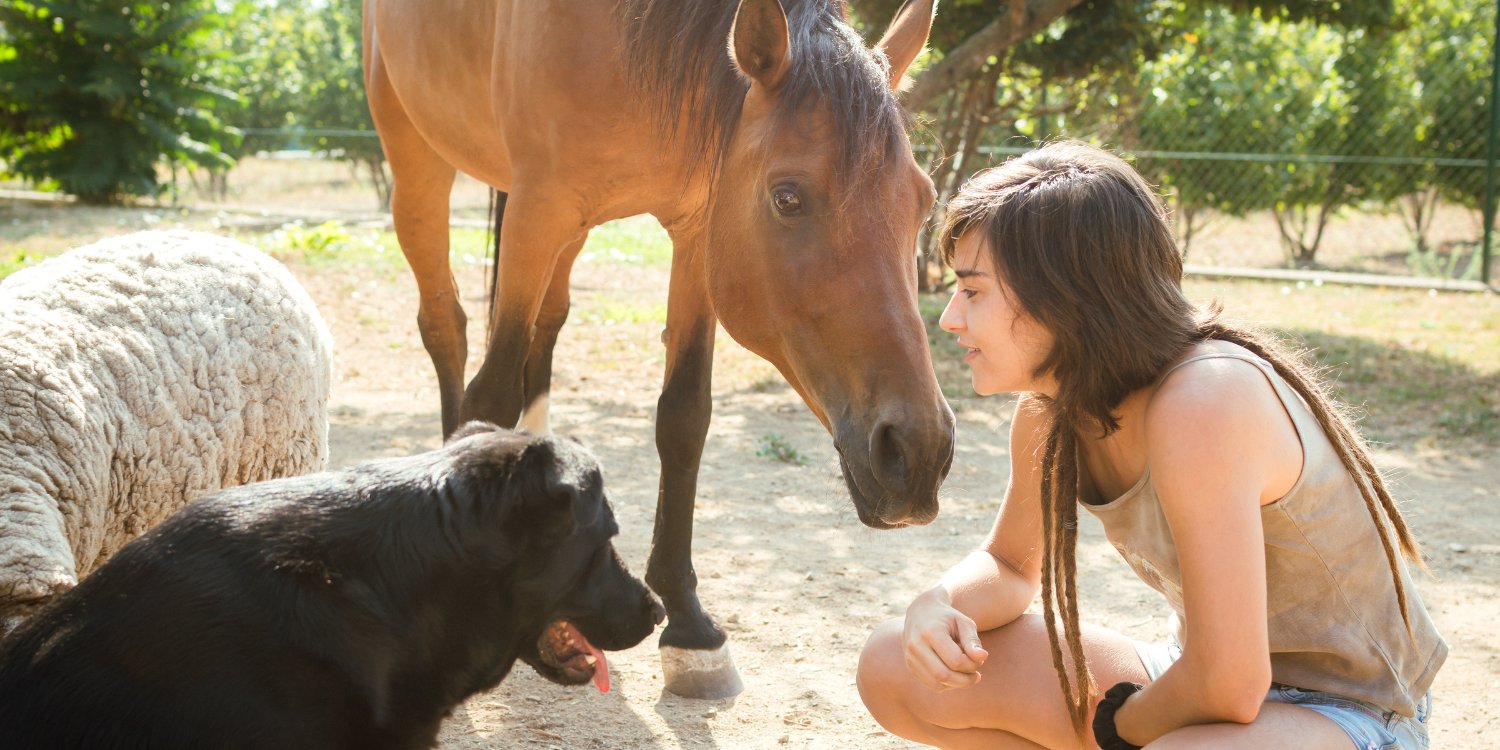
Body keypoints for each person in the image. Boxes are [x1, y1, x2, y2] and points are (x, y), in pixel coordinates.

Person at [856, 140, 1446, 750]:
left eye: (973, 291)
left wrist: (1117, 729)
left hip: (1348, 711)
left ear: (1064, 297)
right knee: (892, 665)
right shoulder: (1050, 408)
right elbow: (1010, 565)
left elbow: (1230, 683)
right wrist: (941, 601)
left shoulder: (1205, 401)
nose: (950, 317)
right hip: (1187, 680)